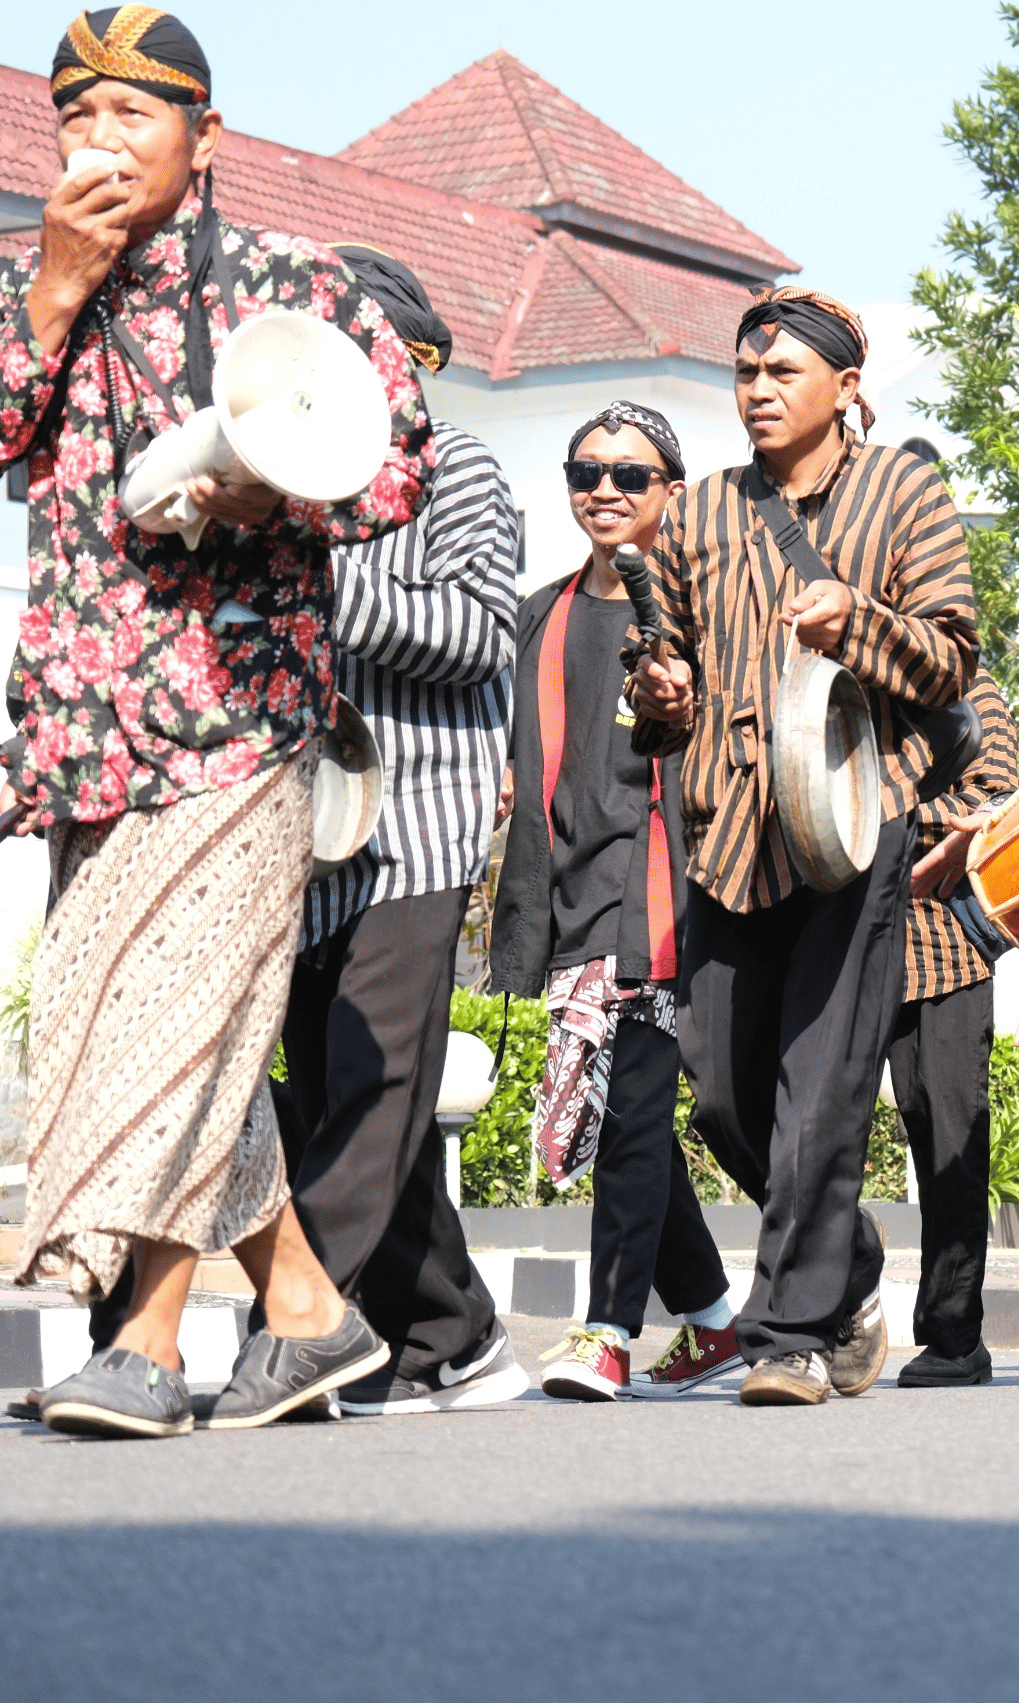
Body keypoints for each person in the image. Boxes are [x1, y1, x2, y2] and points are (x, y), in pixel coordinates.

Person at [2, 7, 432, 1437]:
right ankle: (307, 1315)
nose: (101, 145)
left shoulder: (286, 285)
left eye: (134, 116)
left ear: (206, 135)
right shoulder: (34, 282)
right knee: (160, 1015)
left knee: (168, 1018)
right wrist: (55, 287)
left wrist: (277, 490)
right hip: (87, 729)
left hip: (241, 720)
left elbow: (394, 469)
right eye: (79, 119)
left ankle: (154, 1343)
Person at [627, 288, 978, 1407]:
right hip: (729, 832)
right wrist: (659, 693)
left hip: (855, 826)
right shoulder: (694, 514)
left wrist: (856, 627)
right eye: (745, 374)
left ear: (846, 388)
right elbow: (657, 683)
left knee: (821, 1090)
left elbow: (951, 661)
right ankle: (850, 1267)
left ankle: (785, 1334)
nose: (760, 391)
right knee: (725, 1095)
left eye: (783, 374)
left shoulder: (904, 490)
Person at [276, 244, 525, 1417]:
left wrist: (331, 590)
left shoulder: (463, 469)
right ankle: (453, 1335)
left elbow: (480, 636)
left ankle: (300, 1319)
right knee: (347, 1095)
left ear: (408, 357)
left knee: (373, 1097)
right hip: (315, 844)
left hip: (420, 830)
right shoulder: (293, 486)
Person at [488, 402, 745, 1402]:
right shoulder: (538, 614)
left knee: (633, 1111)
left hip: (665, 894)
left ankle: (606, 1332)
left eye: (629, 475)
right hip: (570, 893)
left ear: (670, 493)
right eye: (585, 470)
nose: (603, 487)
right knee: (623, 1121)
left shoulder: (696, 617)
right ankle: (718, 1322)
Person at [887, 672, 1019, 1388]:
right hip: (840, 943)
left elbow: (993, 795)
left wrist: (875, 821)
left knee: (948, 1136)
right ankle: (831, 1296)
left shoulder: (976, 687)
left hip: (944, 948)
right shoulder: (834, 680)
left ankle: (953, 1335)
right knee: (806, 1125)